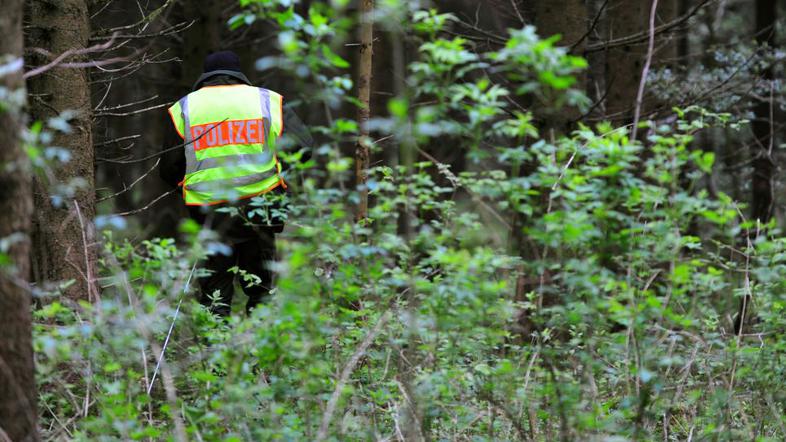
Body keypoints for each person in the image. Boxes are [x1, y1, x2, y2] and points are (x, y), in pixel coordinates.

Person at [160, 51, 312, 317]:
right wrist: (276, 173)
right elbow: (303, 146)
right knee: (260, 288)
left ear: (205, 77)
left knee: (214, 291)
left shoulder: (185, 107)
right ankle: (261, 350)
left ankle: (214, 353)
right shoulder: (266, 100)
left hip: (209, 210)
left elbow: (169, 167)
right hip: (261, 204)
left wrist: (192, 188)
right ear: (239, 73)